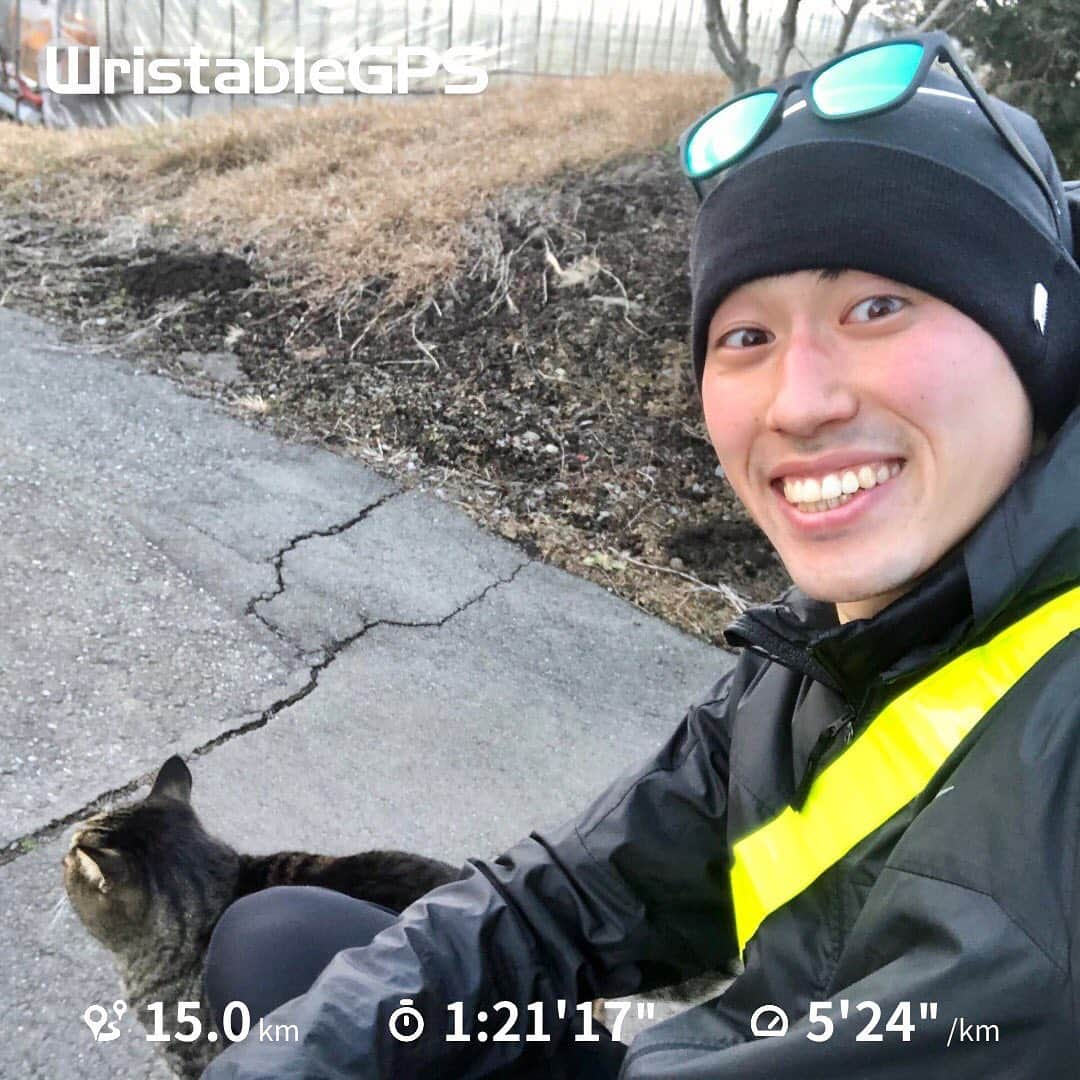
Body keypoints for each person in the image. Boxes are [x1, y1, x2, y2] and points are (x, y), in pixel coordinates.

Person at [200, 30, 1080, 1079]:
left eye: (878, 307)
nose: (800, 402)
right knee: (288, 958)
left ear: (1038, 336)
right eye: (746, 337)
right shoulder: (843, 641)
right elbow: (564, 897)